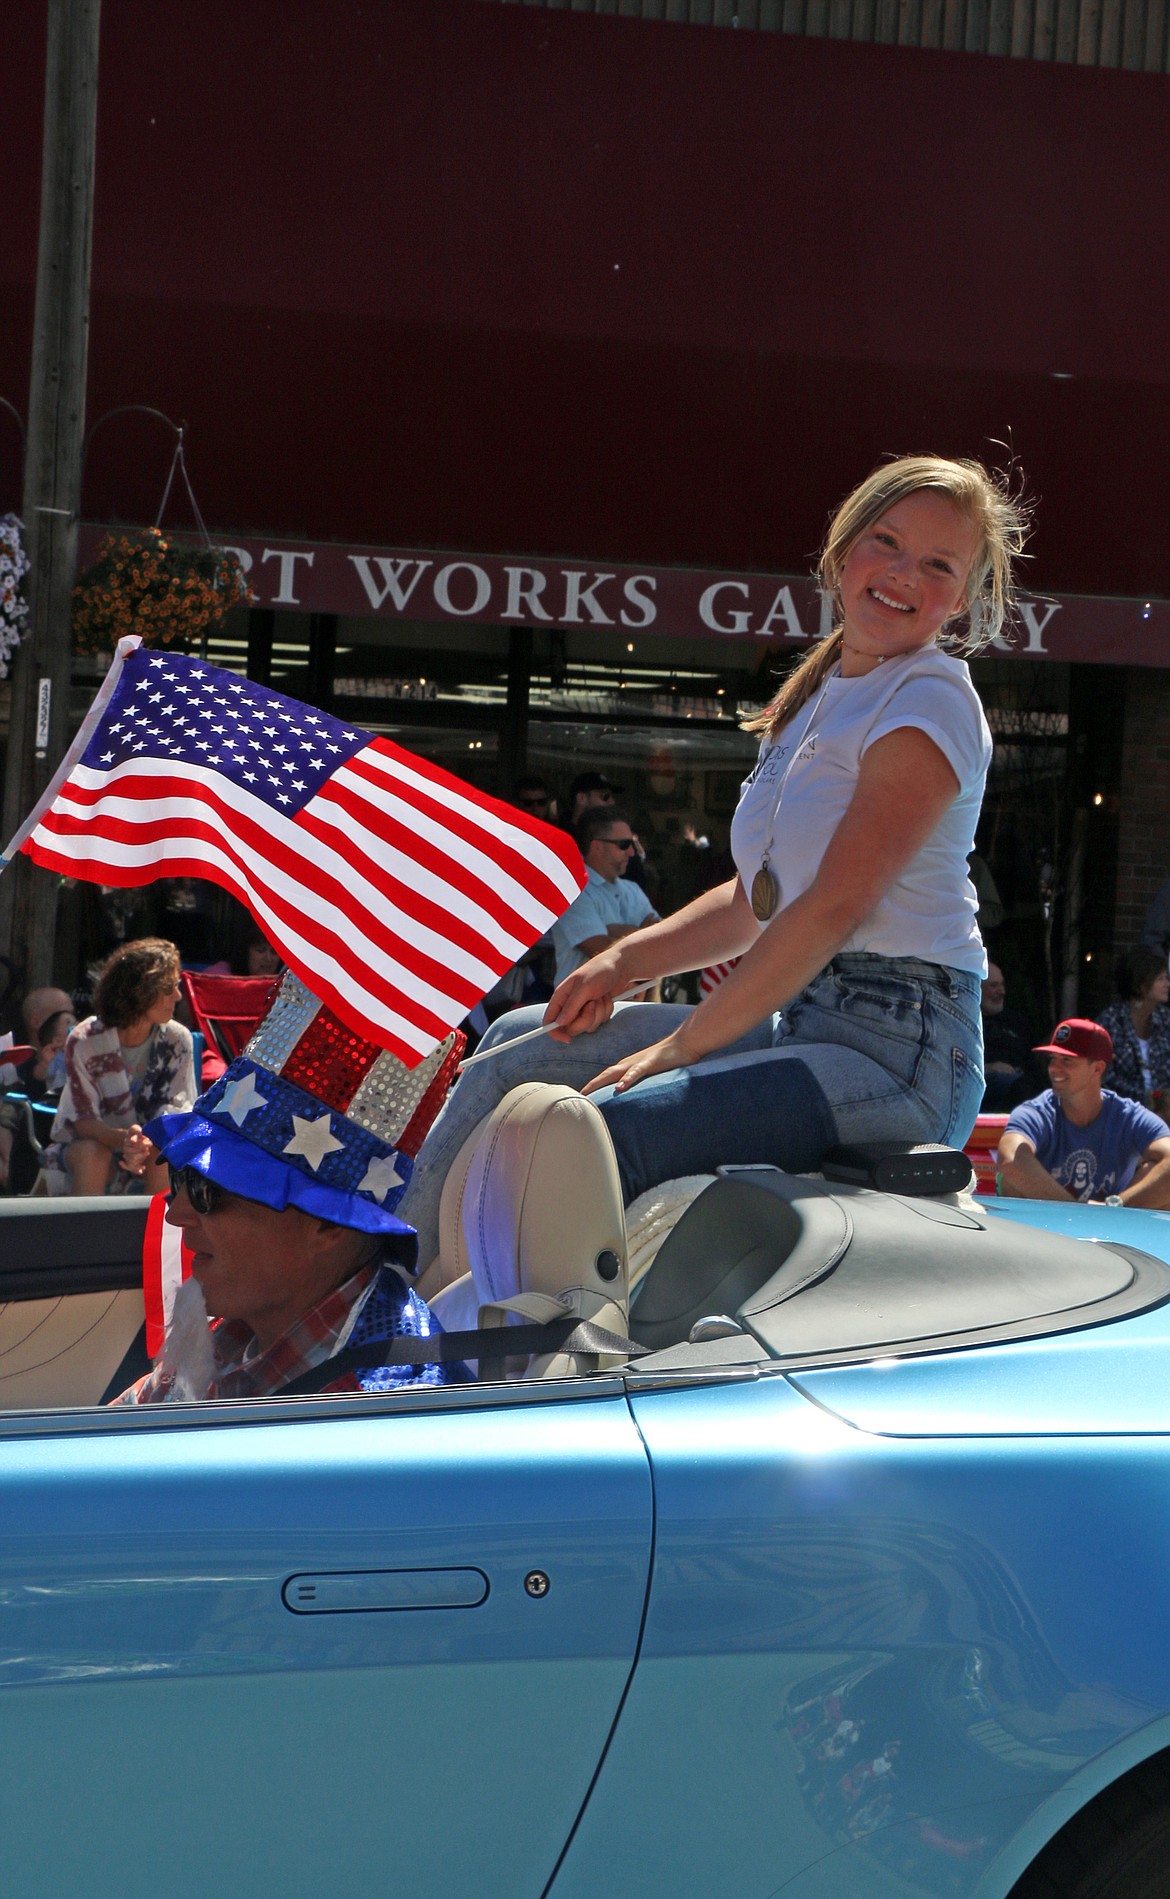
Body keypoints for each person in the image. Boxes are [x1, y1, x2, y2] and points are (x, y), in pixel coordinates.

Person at [395, 454, 1027, 1267]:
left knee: (599, 1131)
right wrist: (622, 960)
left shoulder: (932, 694)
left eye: (939, 564)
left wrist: (685, 1045)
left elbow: (832, 908)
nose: (904, 574)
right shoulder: (815, 696)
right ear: (842, 552)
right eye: (888, 542)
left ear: (966, 597)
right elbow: (753, 900)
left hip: (902, 1054)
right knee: (520, 1039)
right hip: (807, 1020)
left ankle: (477, 1349)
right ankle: (385, 1291)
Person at [111, 969, 468, 1403]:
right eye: (182, 1176)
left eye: (209, 1191)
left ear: (326, 1223)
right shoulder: (238, 1331)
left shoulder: (378, 1416)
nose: (176, 1212)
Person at [45, 938, 195, 1196]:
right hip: (89, 1144)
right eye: (169, 988)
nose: (178, 996)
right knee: (94, 1154)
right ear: (142, 991)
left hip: (151, 1144)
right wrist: (125, 1140)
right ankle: (86, 1235)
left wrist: (142, 1143)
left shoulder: (177, 1039)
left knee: (163, 1153)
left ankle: (159, 1234)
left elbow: (177, 1112)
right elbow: (84, 1121)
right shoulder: (85, 1040)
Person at [996, 1018, 1170, 1205]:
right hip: (1046, 1225)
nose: (1054, 1068)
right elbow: (1010, 1160)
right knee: (1010, 1182)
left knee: (1159, 1175)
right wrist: (1078, 1212)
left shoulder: (1128, 1115)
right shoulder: (1036, 1111)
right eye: (1053, 1059)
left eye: (1067, 1060)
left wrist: (1115, 1207)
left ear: (1097, 1068)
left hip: (1112, 1224)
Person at [550, 806, 660, 982]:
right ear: (598, 847)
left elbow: (662, 941)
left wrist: (613, 931)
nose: (632, 853)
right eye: (624, 845)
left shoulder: (632, 889)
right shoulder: (573, 893)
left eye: (631, 844)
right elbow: (601, 952)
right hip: (582, 1005)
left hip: (633, 1001)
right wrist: (643, 933)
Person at [1096, 947, 1170, 1109]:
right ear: (1141, 986)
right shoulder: (1111, 1021)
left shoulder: (1165, 1020)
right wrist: (1146, 1100)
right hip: (1122, 1110)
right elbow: (1104, 1078)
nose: (1167, 984)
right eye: (1160, 979)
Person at [979, 961, 1041, 1110]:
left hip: (1020, 1083)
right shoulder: (968, 1022)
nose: (1001, 992)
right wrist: (988, 1067)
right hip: (983, 1082)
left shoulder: (1017, 1022)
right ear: (978, 989)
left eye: (1002, 985)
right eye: (994, 986)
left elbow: (1033, 1060)